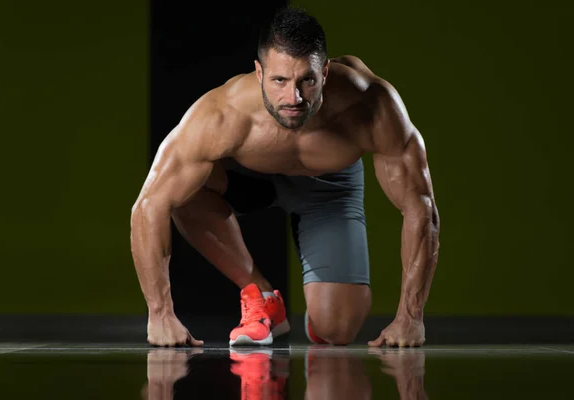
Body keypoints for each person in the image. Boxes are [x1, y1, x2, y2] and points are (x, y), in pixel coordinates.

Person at [130, 6, 440, 347]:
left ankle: (323, 312)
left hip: (330, 190)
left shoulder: (371, 105)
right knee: (180, 194)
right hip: (253, 182)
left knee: (337, 330)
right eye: (279, 80)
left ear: (325, 73)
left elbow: (420, 208)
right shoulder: (222, 114)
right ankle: (261, 296)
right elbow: (149, 204)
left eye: (306, 80)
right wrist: (160, 314)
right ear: (259, 72)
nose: (293, 98)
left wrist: (411, 317)